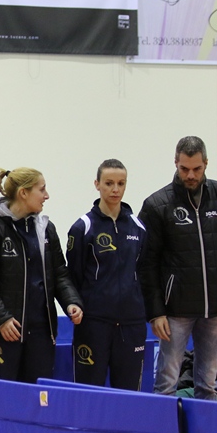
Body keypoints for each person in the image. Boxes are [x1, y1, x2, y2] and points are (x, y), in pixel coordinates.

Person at [138, 136, 217, 400]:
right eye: (184, 169)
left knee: (208, 385)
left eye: (196, 169)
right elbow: (146, 265)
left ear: (206, 163)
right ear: (175, 163)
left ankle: (207, 426)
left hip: (216, 307)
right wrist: (155, 313)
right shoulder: (156, 205)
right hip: (174, 311)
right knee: (166, 384)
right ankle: (165, 427)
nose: (190, 175)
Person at [0, 167, 83, 383]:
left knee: (37, 398)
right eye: (41, 190)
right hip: (2, 333)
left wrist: (71, 302)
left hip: (41, 333)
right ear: (23, 193)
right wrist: (2, 319)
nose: (46, 196)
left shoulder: (46, 229)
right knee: (1, 398)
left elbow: (59, 274)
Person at [66, 160, 147, 390]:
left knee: (129, 394)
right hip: (94, 325)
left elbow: (143, 272)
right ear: (97, 184)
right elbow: (74, 275)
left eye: (121, 183)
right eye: (109, 183)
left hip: (131, 324)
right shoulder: (83, 227)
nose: (115, 189)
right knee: (89, 392)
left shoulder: (138, 227)